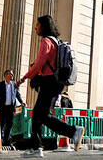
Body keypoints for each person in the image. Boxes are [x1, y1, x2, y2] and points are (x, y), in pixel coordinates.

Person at [16, 15, 83, 158]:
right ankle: (36, 147)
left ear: (43, 26)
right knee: (38, 115)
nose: (35, 27)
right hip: (55, 82)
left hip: (49, 82)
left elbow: (39, 64)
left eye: (37, 25)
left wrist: (23, 78)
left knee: (43, 115)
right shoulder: (55, 41)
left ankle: (73, 131)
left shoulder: (46, 41)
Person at [0, 69, 24, 146]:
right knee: (1, 124)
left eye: (12, 74)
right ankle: (0, 140)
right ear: (6, 75)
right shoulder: (0, 85)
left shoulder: (14, 84)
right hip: (2, 107)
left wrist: (22, 102)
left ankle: (7, 141)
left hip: (11, 108)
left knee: (9, 124)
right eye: (10, 74)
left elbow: (17, 94)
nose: (12, 76)